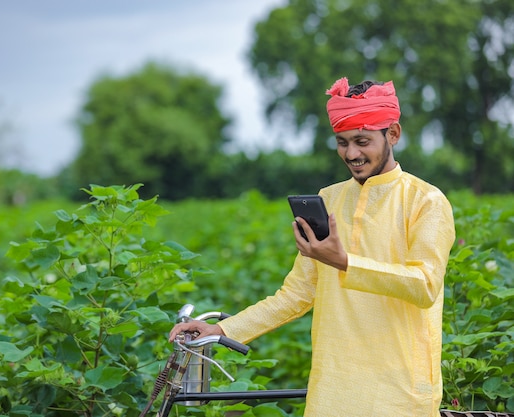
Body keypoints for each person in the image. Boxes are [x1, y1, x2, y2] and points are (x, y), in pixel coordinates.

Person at [169, 77, 456, 416]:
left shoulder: (426, 202)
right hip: (331, 390)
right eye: (342, 142)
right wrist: (222, 330)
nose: (351, 154)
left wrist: (344, 261)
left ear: (393, 134)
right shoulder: (330, 198)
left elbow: (424, 286)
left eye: (362, 141)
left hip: (401, 393)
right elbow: (296, 295)